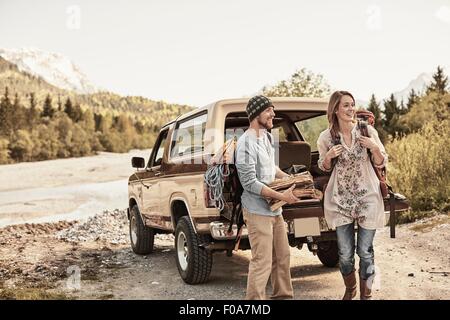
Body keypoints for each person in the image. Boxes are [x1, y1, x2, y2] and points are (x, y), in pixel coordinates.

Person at [317, 91, 388, 300]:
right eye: (346, 105)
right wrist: (329, 156)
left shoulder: (367, 131)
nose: (351, 109)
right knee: (345, 254)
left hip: (368, 197)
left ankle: (366, 295)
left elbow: (381, 161)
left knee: (365, 251)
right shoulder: (326, 137)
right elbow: (323, 166)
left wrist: (374, 147)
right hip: (341, 200)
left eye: (352, 105)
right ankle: (351, 288)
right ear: (335, 109)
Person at [235, 95, 299, 300]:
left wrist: (291, 179)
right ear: (256, 115)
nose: (273, 114)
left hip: (275, 208)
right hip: (256, 211)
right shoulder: (245, 144)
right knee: (262, 260)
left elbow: (272, 169)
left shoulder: (268, 137)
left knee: (282, 256)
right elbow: (250, 183)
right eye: (268, 110)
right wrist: (282, 195)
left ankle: (283, 296)